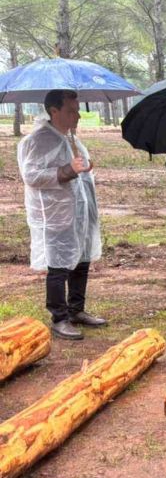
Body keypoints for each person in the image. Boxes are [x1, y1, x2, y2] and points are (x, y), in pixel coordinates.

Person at [17, 89, 105, 340]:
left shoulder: (70, 138)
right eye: (71, 111)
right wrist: (67, 169)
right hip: (55, 214)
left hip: (80, 211)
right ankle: (59, 317)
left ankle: (77, 309)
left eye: (77, 110)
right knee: (59, 265)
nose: (76, 116)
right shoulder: (37, 140)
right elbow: (31, 176)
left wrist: (84, 168)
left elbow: (79, 172)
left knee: (81, 259)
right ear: (53, 111)